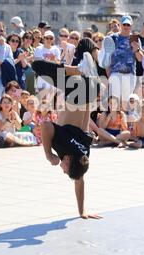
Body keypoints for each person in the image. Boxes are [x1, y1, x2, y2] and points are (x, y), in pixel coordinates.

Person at [32, 54, 102, 219]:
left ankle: (85, 63)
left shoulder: (82, 156)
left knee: (84, 48)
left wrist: (82, 211)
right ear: (68, 161)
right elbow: (45, 125)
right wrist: (49, 156)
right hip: (77, 92)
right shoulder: (65, 146)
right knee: (37, 66)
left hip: (91, 90)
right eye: (66, 171)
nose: (64, 173)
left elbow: (80, 181)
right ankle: (81, 68)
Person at [100, 15, 141, 111]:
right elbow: (107, 58)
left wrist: (137, 49)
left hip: (130, 74)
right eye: (124, 24)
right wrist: (109, 74)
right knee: (114, 101)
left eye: (128, 25)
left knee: (126, 102)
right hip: (115, 73)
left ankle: (124, 123)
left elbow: (140, 59)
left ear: (131, 26)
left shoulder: (135, 38)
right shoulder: (112, 38)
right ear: (120, 25)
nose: (126, 26)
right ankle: (115, 123)